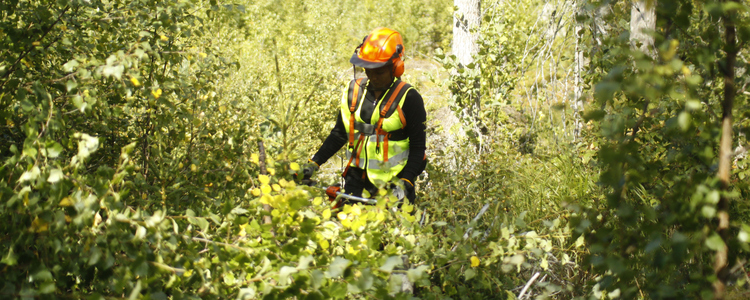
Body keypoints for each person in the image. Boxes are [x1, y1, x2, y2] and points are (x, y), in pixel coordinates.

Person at [303, 27, 427, 206]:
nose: (372, 76)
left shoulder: (409, 98)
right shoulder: (353, 92)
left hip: (394, 185)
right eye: (367, 69)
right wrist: (313, 164)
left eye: (379, 71)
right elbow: (339, 134)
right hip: (356, 182)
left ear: (396, 68)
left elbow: (417, 147)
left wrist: (406, 182)